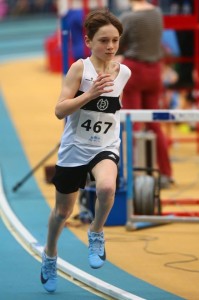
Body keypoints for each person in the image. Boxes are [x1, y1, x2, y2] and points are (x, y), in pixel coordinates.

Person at [40, 8, 131, 293]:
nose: (110, 47)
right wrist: (89, 95)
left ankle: (96, 232)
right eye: (104, 40)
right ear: (89, 41)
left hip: (105, 145)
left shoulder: (123, 72)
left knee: (106, 188)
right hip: (75, 148)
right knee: (62, 212)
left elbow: (114, 110)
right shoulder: (80, 69)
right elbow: (59, 111)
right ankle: (50, 255)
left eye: (115, 40)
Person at [116, 0, 173, 188]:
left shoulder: (128, 18)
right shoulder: (157, 13)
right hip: (155, 71)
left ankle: (133, 172)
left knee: (133, 123)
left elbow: (118, 44)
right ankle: (166, 173)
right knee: (153, 123)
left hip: (135, 70)